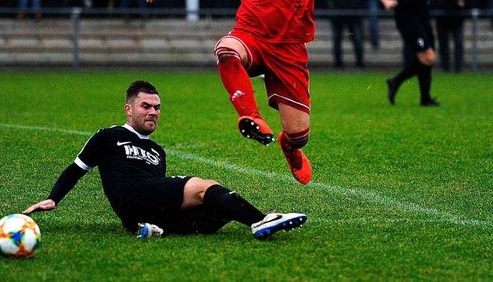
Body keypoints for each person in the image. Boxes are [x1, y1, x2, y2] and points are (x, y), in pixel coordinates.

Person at [143, 0, 444, 184]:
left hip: (288, 47)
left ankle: (290, 146)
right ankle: (251, 115)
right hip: (251, 35)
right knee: (226, 50)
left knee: (299, 134)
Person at [23, 80, 307, 240]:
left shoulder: (158, 151)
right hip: (131, 195)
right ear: (128, 109)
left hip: (143, 210)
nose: (153, 112)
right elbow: (77, 169)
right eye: (145, 106)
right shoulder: (109, 136)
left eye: (157, 108)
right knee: (203, 187)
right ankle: (261, 221)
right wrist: (53, 198)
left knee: (216, 209)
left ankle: (156, 230)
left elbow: (162, 187)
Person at [373, 0, 444, 106]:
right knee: (426, 56)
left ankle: (402, 85)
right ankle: (422, 96)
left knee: (428, 57)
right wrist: (386, 0)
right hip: (406, 16)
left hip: (423, 15)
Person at [324, 0, 366, 69]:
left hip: (353, 14)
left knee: (357, 39)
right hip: (337, 15)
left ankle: (360, 63)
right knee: (337, 39)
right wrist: (333, 7)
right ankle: (338, 64)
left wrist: (352, 7)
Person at [434, 0, 469, 72]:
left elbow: (469, 4)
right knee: (444, 45)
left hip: (457, 22)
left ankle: (458, 68)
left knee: (458, 44)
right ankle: (445, 68)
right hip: (443, 22)